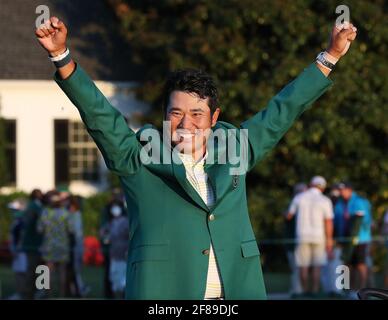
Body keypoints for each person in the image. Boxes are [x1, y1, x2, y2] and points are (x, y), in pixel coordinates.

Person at [35, 16, 357, 299]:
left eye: (196, 114)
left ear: (214, 117)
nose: (186, 124)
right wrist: (61, 56)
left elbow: (281, 111)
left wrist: (330, 56)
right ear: (164, 115)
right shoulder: (138, 158)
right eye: (176, 113)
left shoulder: (235, 151)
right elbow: (100, 115)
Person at [286, 176, 334, 297]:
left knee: (303, 266)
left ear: (311, 184)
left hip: (302, 236)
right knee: (317, 267)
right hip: (319, 237)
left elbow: (289, 216)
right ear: (322, 187)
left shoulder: (299, 197)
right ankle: (314, 292)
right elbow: (328, 222)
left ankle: (304, 292)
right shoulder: (325, 200)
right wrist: (329, 241)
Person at [334, 182, 372, 292]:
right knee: (347, 264)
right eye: (340, 190)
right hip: (345, 239)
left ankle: (362, 289)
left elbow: (366, 220)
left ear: (349, 190)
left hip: (360, 239)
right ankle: (348, 290)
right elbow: (336, 221)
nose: (341, 192)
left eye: (343, 189)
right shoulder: (339, 204)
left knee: (360, 264)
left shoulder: (359, 201)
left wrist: (352, 218)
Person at [37, 191, 74, 298]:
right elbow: (71, 230)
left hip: (49, 245)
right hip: (63, 246)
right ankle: (61, 295)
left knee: (47, 272)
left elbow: (39, 229)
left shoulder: (46, 212)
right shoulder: (65, 213)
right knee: (62, 271)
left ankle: (49, 295)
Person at [100, 200, 129, 299]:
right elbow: (104, 234)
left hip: (123, 255)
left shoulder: (125, 221)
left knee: (123, 280)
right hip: (114, 255)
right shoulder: (111, 222)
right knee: (114, 279)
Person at [20, 189, 44, 299]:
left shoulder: (32, 207)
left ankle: (33, 292)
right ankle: (29, 293)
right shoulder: (35, 208)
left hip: (34, 245)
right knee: (35, 269)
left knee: (37, 269)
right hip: (34, 245)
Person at [284, 182, 307, 298]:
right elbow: (287, 216)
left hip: (303, 240)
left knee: (302, 267)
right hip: (293, 241)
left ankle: (301, 291)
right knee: (296, 267)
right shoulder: (293, 204)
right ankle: (297, 291)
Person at [67, 195, 88, 297]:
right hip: (75, 246)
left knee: (76, 270)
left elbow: (74, 230)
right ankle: (77, 288)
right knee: (74, 270)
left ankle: (80, 288)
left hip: (76, 246)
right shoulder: (74, 215)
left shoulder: (75, 215)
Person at [8, 199, 27, 300]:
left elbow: (21, 237)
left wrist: (17, 250)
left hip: (20, 252)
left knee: (21, 273)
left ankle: (21, 294)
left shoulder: (21, 222)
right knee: (19, 273)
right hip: (19, 251)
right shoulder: (18, 221)